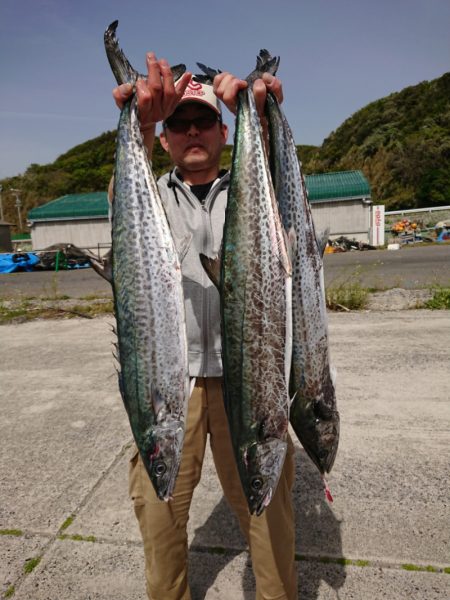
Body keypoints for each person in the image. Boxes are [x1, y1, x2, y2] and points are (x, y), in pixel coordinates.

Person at [111, 52, 297, 600]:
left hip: (251, 377)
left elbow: (284, 193)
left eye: (203, 122)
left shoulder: (253, 191)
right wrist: (139, 122)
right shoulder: (145, 193)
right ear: (165, 139)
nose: (192, 132)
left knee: (271, 522)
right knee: (159, 519)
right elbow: (125, 199)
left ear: (223, 130)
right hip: (171, 382)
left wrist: (259, 115)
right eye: (178, 124)